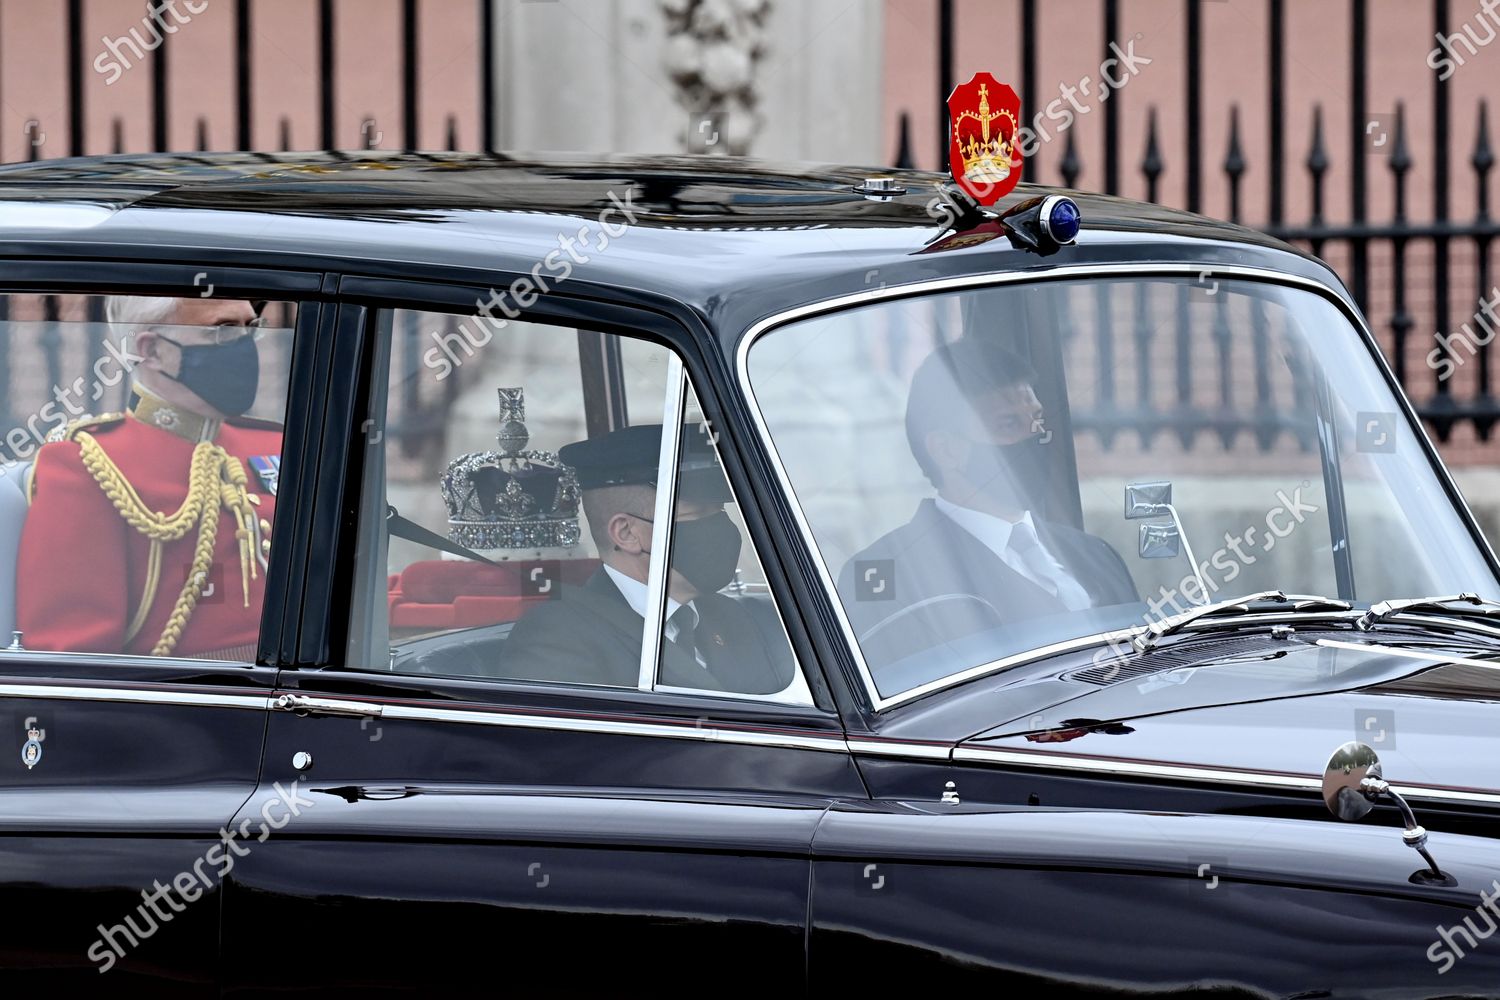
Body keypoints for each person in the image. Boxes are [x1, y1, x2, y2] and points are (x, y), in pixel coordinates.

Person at [838, 336, 1137, 676]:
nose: (1037, 437)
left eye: (1037, 420)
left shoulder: (1097, 554)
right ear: (947, 450)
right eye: (1009, 424)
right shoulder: (885, 577)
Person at [16, 295, 281, 659]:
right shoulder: (88, 464)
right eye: (222, 331)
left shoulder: (271, 444)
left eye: (250, 328)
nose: (244, 347)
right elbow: (73, 657)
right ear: (153, 351)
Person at [503, 424, 790, 693]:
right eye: (697, 515)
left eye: (718, 513)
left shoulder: (731, 616)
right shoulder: (558, 639)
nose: (720, 529)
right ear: (627, 533)